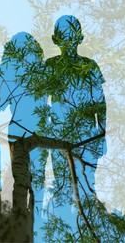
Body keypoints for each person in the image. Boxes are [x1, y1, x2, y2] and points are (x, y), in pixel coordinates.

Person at [45, 15, 107, 158]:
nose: (68, 41)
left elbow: (100, 103)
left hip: (87, 137)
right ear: (56, 39)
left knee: (87, 177)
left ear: (80, 38)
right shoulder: (50, 66)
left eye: (72, 36)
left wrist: (102, 135)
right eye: (64, 36)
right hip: (59, 136)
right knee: (61, 178)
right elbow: (41, 101)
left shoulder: (90, 66)